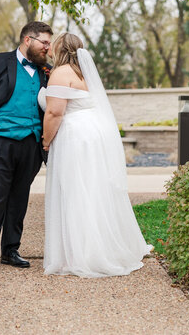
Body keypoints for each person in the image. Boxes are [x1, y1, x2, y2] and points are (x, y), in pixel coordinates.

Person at [39, 33, 152, 277]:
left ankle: (80, 255)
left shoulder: (61, 73)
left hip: (75, 137)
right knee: (93, 190)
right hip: (93, 137)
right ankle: (99, 247)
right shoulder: (84, 73)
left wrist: (46, 141)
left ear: (59, 49)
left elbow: (54, 113)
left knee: (75, 191)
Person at [0, 21, 53, 272]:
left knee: (19, 198)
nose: (47, 47)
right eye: (44, 42)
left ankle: (10, 250)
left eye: (49, 43)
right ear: (28, 40)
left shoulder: (47, 70)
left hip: (30, 143)